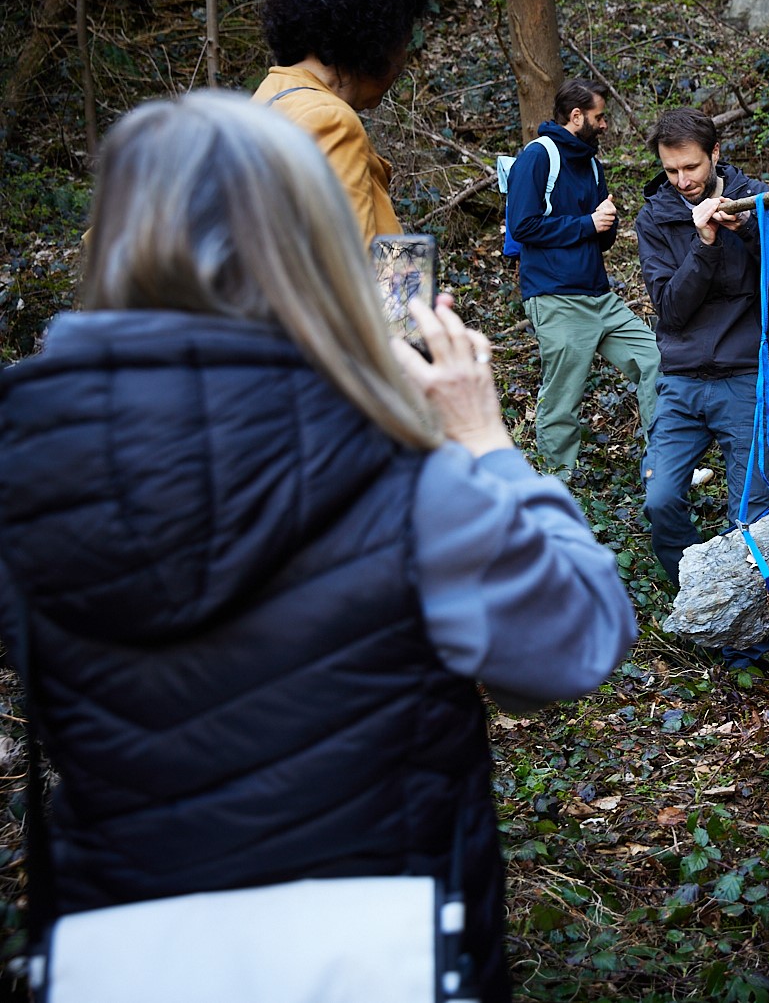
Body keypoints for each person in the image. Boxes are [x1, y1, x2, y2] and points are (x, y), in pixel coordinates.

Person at [0, 92, 638, 1002]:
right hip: (381, 948)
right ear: (309, 242)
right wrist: (483, 438)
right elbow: (574, 643)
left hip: (122, 954)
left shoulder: (25, 460)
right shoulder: (394, 463)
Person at [634, 108, 769, 670]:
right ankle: (700, 598)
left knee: (749, 513)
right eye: (672, 170)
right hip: (680, 380)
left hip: (743, 375)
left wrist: (744, 225)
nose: (684, 180)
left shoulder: (757, 201)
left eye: (692, 166)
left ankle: (744, 635)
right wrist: (702, 244)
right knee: (661, 498)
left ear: (716, 153)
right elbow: (671, 310)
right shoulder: (656, 218)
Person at [507, 78, 661, 473]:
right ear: (577, 117)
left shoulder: (591, 162)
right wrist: (587, 224)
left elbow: (597, 237)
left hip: (599, 296)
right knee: (563, 397)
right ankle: (559, 485)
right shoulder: (538, 156)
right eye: (600, 116)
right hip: (556, 297)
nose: (605, 124)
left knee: (656, 358)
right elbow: (522, 226)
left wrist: (605, 224)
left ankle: (662, 463)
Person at [253, 0, 428, 242]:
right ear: (378, 39)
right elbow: (353, 269)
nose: (403, 58)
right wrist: (410, 274)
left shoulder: (272, 91)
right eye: (404, 42)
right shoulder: (332, 122)